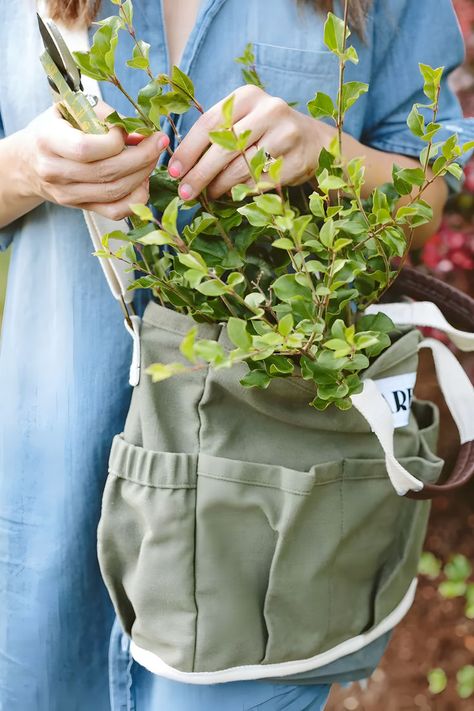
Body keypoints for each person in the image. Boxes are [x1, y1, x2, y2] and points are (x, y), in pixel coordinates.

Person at [0, 1, 472, 709]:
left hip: (266, 516)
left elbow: (428, 195)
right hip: (48, 500)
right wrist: (26, 169)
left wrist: (327, 153)